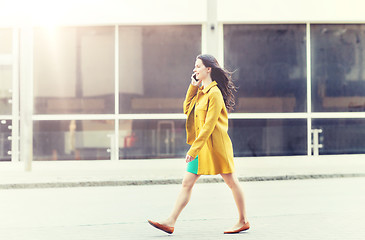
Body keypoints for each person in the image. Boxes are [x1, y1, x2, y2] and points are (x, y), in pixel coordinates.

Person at [148, 54, 249, 234]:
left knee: (231, 182)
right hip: (200, 147)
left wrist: (193, 149)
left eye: (198, 66)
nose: (195, 69)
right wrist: (192, 87)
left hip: (216, 146)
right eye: (195, 67)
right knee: (187, 183)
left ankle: (243, 220)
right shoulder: (201, 91)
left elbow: (209, 125)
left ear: (208, 69)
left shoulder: (215, 93)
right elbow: (187, 108)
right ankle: (170, 221)